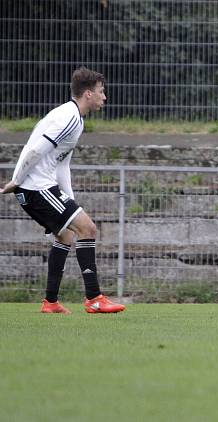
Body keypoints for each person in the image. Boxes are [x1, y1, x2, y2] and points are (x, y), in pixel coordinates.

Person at [1, 68, 126, 314]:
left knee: (66, 236)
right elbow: (35, 150)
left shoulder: (75, 118)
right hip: (35, 186)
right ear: (88, 94)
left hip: (37, 186)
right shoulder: (68, 117)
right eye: (101, 92)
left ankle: (51, 303)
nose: (105, 97)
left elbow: (62, 163)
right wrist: (16, 181)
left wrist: (70, 200)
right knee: (88, 228)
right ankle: (94, 299)